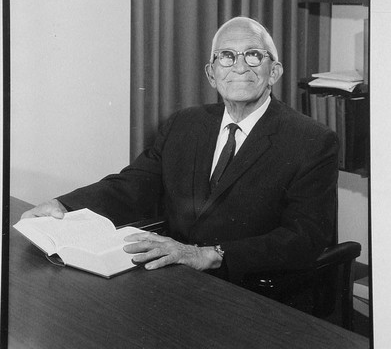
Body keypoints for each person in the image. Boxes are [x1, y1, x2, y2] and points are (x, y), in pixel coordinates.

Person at [22, 16, 339, 285]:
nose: (240, 66)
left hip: (252, 287)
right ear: (211, 74)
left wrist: (210, 255)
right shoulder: (184, 124)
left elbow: (304, 237)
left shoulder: (312, 140)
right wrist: (62, 205)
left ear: (274, 72)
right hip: (173, 276)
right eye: (226, 56)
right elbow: (132, 186)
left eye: (254, 55)